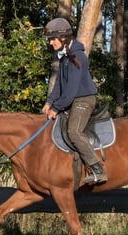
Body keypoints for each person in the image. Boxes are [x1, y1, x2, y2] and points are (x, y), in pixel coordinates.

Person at [42, 17, 107, 185]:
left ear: (63, 38)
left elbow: (70, 91)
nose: (50, 43)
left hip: (83, 100)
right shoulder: (64, 58)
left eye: (52, 39)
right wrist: (49, 102)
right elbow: (59, 86)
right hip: (73, 100)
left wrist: (56, 108)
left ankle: (98, 169)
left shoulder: (78, 57)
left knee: (74, 132)